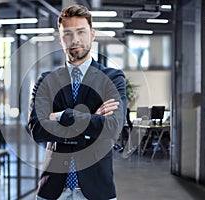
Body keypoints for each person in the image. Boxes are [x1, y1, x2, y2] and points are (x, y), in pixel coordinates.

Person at [28, 4, 127, 200]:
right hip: (52, 190)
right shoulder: (46, 80)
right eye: (68, 34)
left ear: (92, 34)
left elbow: (113, 127)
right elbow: (37, 129)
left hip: (97, 190)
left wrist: (63, 116)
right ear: (60, 39)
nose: (75, 40)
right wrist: (91, 123)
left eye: (81, 32)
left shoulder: (112, 78)